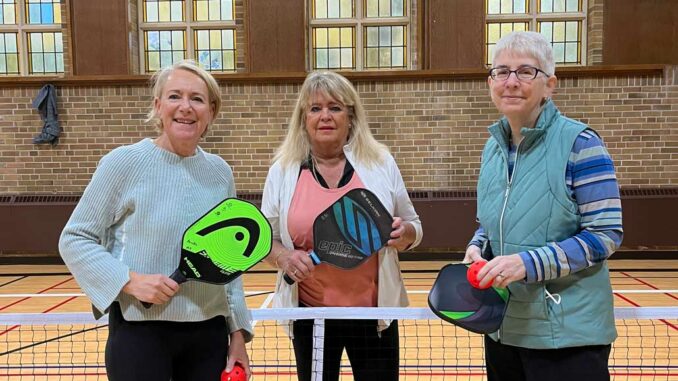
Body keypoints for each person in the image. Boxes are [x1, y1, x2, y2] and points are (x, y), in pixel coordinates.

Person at [59, 60, 252, 381]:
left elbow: (228, 260)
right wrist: (128, 280)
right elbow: (75, 238)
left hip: (208, 335)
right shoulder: (123, 163)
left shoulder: (220, 173)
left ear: (211, 111)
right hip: (139, 334)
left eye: (197, 99)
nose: (186, 107)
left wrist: (237, 333)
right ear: (158, 105)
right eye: (175, 96)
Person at [464, 31, 623, 380]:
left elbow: (605, 234)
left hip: (568, 337)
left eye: (525, 71)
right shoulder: (492, 149)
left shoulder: (581, 144)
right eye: (501, 71)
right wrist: (478, 247)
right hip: (505, 329)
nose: (511, 82)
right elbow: (490, 223)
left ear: (550, 85)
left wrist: (527, 264)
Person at [261, 71, 423, 381]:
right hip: (311, 314)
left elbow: (414, 226)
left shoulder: (380, 163)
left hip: (374, 315)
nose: (325, 116)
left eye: (335, 107)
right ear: (303, 118)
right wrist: (283, 258)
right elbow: (265, 238)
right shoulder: (282, 170)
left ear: (350, 116)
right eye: (315, 108)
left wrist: (406, 235)